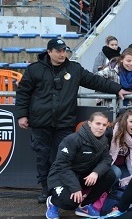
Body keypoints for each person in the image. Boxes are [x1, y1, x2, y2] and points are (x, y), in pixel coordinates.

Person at [15, 38, 126, 203]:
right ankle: (46, 190)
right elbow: (23, 92)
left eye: (64, 50)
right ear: (49, 52)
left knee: (64, 159)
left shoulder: (74, 68)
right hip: (40, 122)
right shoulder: (35, 70)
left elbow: (95, 81)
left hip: (64, 123)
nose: (62, 54)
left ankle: (61, 188)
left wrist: (117, 89)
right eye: (58, 51)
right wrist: (22, 115)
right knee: (42, 156)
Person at [44, 112, 116, 219]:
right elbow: (62, 166)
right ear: (89, 123)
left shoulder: (104, 140)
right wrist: (75, 187)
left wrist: (96, 172)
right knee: (70, 202)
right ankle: (52, 202)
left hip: (83, 176)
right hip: (62, 177)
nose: (101, 128)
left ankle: (84, 206)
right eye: (98, 124)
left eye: (104, 125)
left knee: (110, 174)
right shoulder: (72, 140)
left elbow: (107, 159)